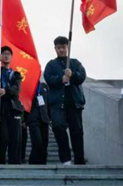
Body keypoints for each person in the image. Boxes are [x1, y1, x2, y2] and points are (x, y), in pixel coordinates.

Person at [44, 36, 87, 165]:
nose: (61, 50)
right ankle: (66, 159)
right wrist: (60, 79)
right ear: (55, 49)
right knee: (58, 127)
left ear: (67, 48)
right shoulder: (51, 65)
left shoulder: (75, 63)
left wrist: (72, 74)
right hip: (58, 104)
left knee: (77, 132)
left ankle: (79, 160)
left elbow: (82, 77)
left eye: (63, 47)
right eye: (59, 48)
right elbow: (48, 79)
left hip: (74, 103)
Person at [0, 46, 24, 165]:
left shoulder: (16, 74)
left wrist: (6, 90)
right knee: (1, 137)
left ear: (12, 57)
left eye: (8, 54)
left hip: (13, 108)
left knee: (15, 138)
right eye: (4, 53)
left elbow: (17, 89)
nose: (6, 55)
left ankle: (15, 163)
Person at [27, 80, 51, 165]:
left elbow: (48, 102)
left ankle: (42, 162)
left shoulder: (44, 86)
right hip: (33, 118)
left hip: (44, 118)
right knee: (37, 141)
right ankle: (33, 162)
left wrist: (50, 117)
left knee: (44, 142)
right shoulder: (28, 87)